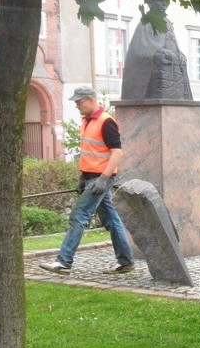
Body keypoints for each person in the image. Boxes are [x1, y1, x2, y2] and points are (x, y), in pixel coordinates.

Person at [40, 86, 135, 275]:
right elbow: (89, 153)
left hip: (100, 179)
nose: (76, 106)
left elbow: (117, 152)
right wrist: (82, 176)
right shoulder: (86, 121)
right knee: (111, 220)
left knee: (78, 216)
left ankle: (63, 262)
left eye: (79, 102)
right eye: (75, 102)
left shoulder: (106, 121)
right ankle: (126, 261)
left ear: (91, 99)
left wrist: (103, 179)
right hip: (91, 177)